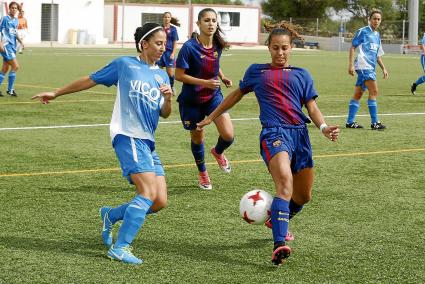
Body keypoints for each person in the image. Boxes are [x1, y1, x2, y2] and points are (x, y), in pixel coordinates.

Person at [197, 21, 340, 266]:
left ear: (291, 48)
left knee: (303, 196)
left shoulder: (302, 74)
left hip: (300, 135)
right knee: (285, 184)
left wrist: (324, 128)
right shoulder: (257, 71)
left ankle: (277, 219)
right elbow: (235, 95)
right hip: (274, 133)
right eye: (275, 48)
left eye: (284, 48)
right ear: (269, 48)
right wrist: (212, 116)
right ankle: (279, 244)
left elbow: (312, 107)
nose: (280, 53)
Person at [31, 23, 173, 265]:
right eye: (159, 43)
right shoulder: (124, 65)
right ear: (144, 44)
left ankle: (111, 214)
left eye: (166, 44)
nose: (164, 48)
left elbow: (165, 113)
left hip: (148, 141)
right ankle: (121, 247)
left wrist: (168, 98)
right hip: (127, 135)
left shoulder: (162, 75)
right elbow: (91, 79)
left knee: (159, 201)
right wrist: (56, 92)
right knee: (147, 192)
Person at [175, 8, 234, 190]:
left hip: (213, 97)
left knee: (228, 135)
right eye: (207, 20)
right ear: (199, 24)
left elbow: (214, 64)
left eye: (214, 20)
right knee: (198, 138)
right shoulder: (189, 47)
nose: (211, 24)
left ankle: (217, 152)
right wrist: (204, 82)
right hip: (192, 101)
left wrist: (222, 77)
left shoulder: (217, 45)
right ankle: (203, 173)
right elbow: (178, 75)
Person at [346, 9, 388, 130]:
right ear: (369, 19)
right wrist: (350, 65)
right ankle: (375, 123)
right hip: (364, 66)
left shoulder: (377, 35)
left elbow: (377, 55)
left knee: (358, 94)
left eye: (379, 19)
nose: (376, 21)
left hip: (370, 68)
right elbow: (353, 47)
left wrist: (383, 68)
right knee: (374, 91)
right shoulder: (363, 31)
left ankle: (350, 122)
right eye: (374, 18)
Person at [0, 2, 24, 97]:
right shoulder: (4, 19)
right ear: (9, 9)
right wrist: (0, 43)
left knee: (4, 69)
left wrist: (20, 41)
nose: (14, 9)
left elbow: (14, 32)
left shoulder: (16, 21)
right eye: (12, 8)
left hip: (12, 47)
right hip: (6, 46)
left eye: (15, 8)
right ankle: (10, 90)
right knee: (16, 66)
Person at [157, 12, 179, 94]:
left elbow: (175, 42)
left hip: (169, 53)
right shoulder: (159, 28)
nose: (166, 19)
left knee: (170, 73)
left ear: (170, 19)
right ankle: (159, 88)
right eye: (165, 17)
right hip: (159, 52)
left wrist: (173, 53)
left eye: (168, 17)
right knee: (158, 71)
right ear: (163, 18)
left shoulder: (173, 29)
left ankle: (171, 86)